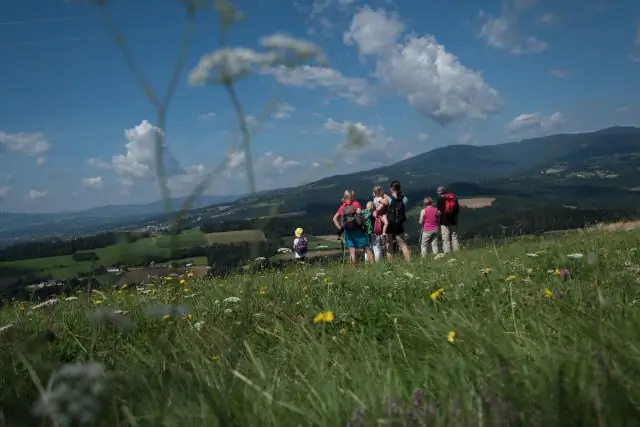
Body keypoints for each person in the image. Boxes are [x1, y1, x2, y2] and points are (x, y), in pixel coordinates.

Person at [332, 190, 375, 265]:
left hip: (348, 232)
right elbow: (360, 214)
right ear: (351, 196)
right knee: (367, 248)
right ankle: (373, 266)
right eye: (354, 195)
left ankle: (355, 270)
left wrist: (341, 229)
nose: (355, 197)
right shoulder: (355, 204)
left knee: (352, 252)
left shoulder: (342, 207)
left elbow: (334, 219)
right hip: (358, 231)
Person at [383, 180, 411, 262]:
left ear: (392, 188)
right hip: (399, 224)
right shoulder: (404, 198)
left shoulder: (388, 198)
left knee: (389, 244)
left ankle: (390, 264)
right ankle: (409, 262)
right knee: (403, 244)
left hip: (390, 224)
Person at [436, 186, 460, 253]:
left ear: (439, 192)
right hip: (453, 220)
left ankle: (447, 252)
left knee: (446, 237)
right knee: (454, 236)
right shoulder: (454, 198)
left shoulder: (439, 199)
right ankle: (456, 250)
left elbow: (439, 211)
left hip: (444, 221)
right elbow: (457, 210)